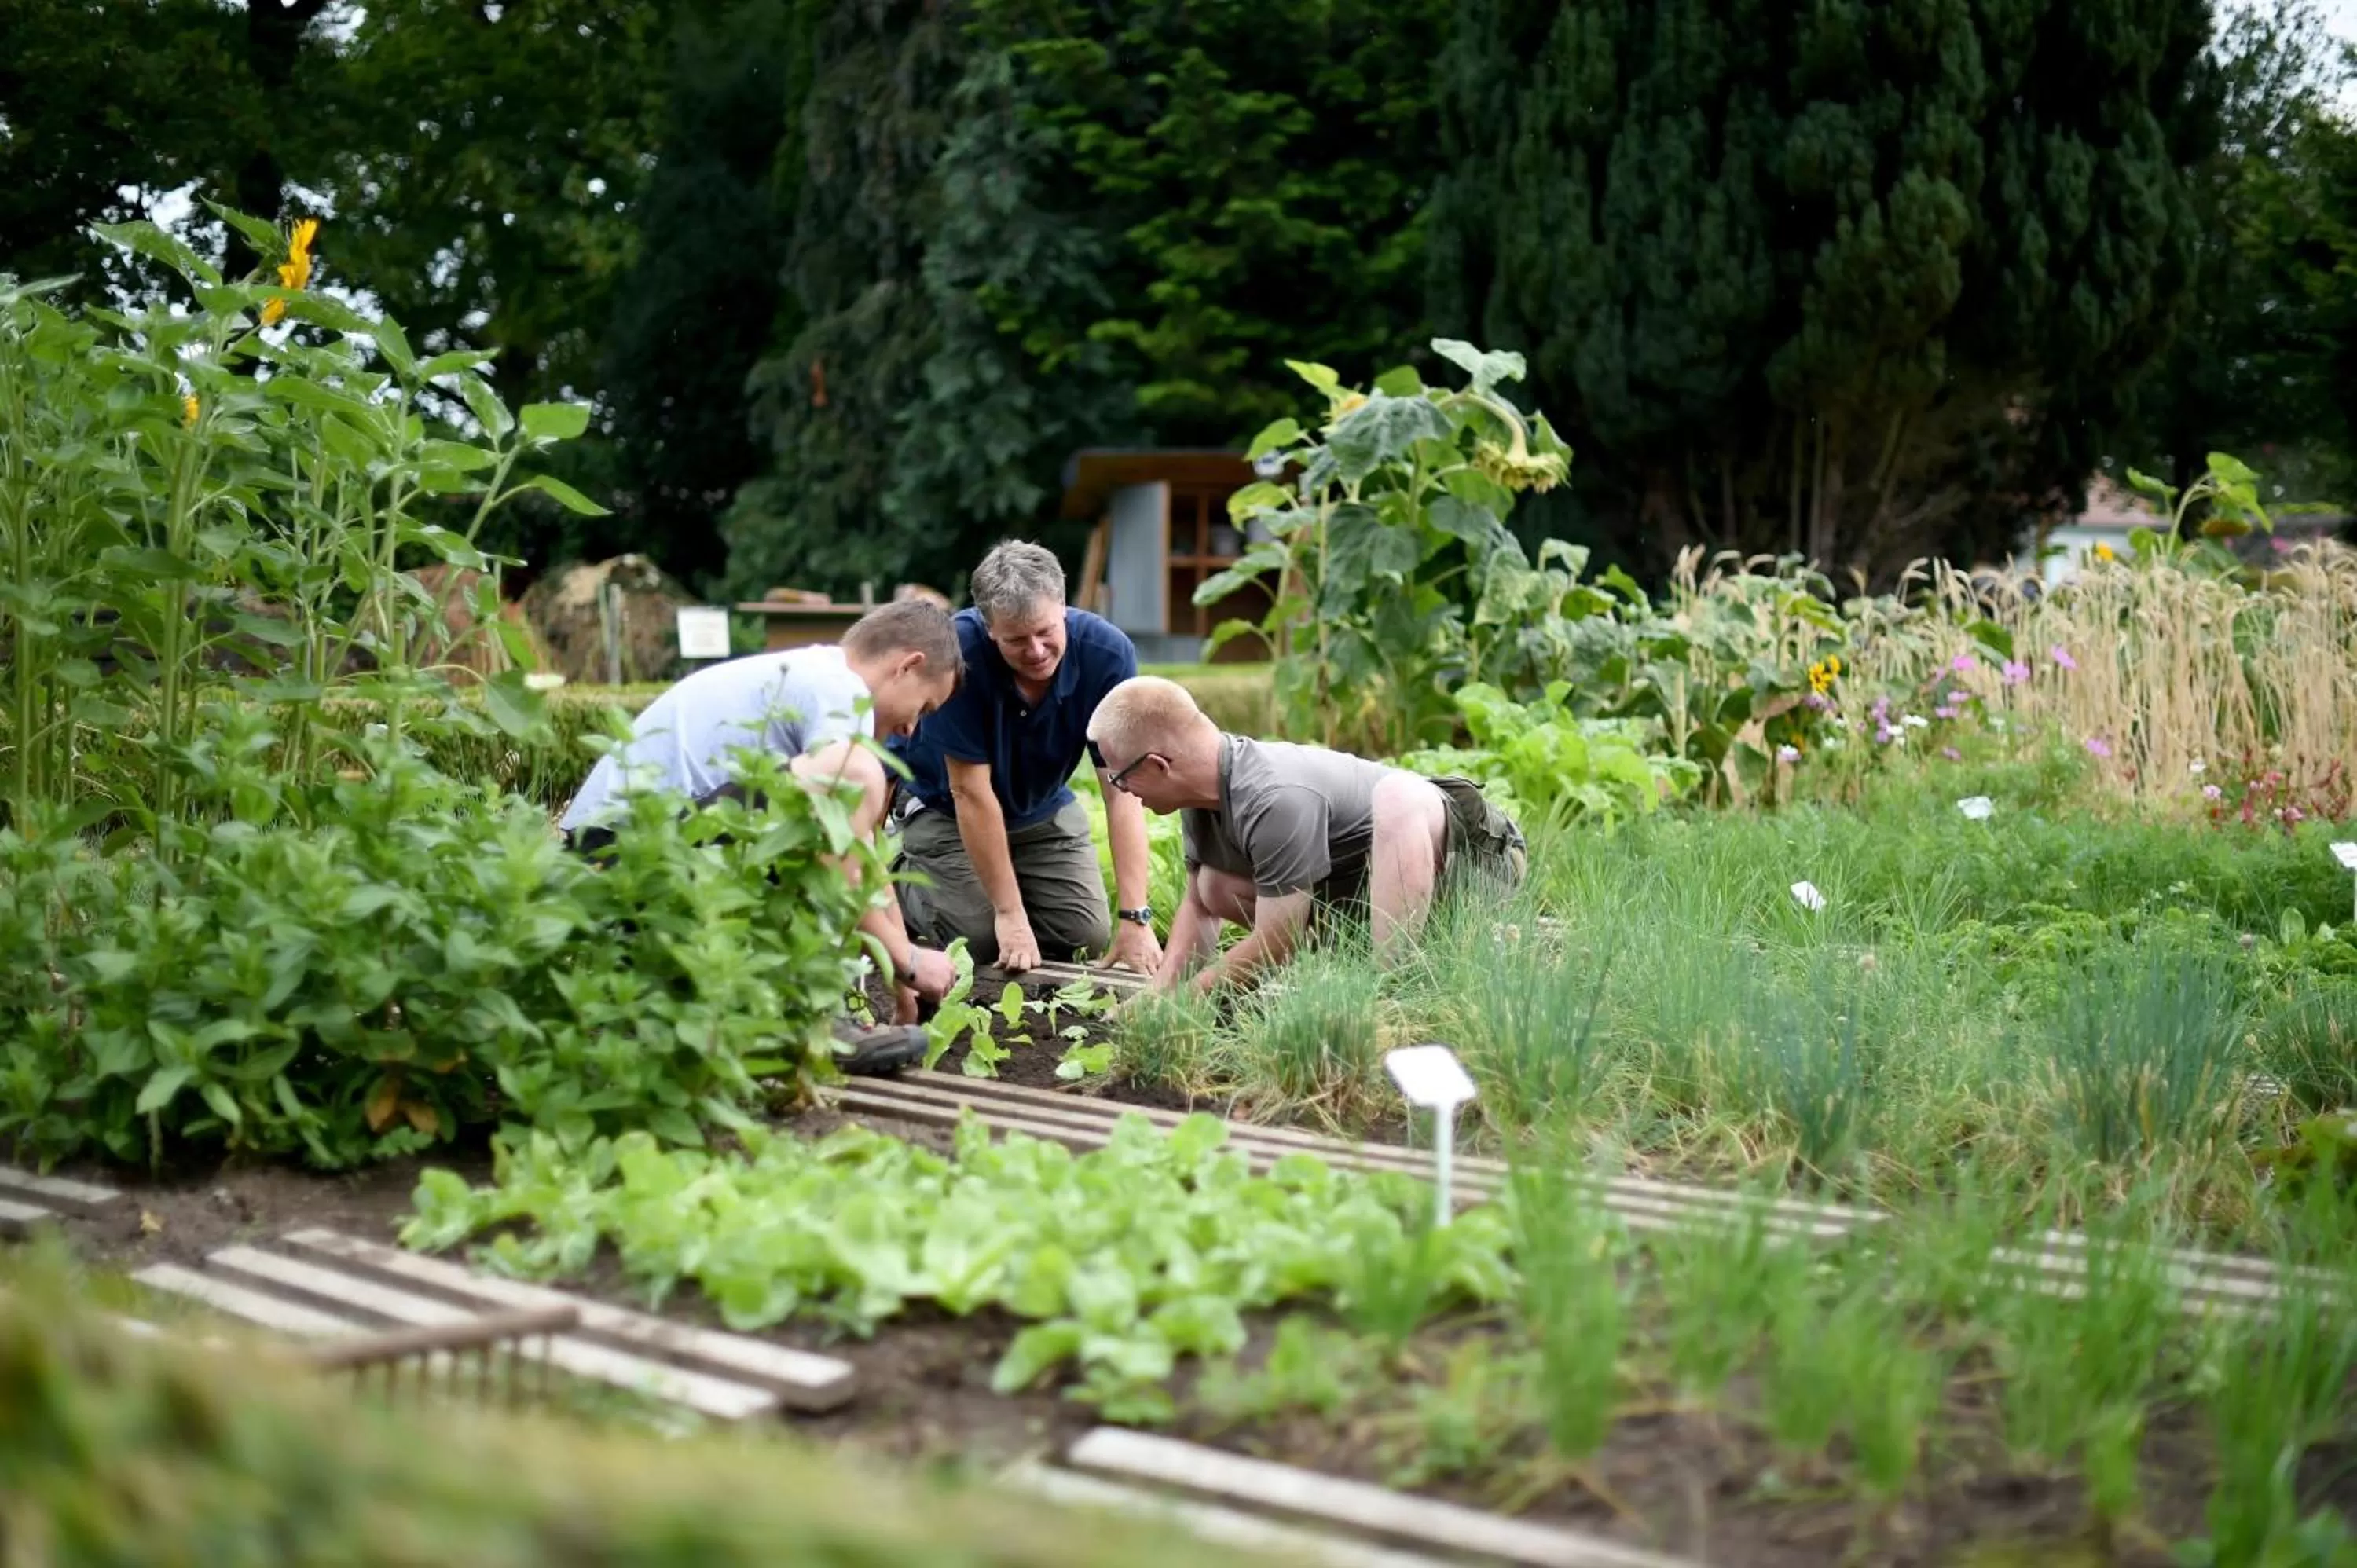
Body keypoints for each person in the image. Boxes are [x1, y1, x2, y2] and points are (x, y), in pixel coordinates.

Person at [555, 599, 964, 1072]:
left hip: (628, 851)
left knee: (842, 794)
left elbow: (861, 850)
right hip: (627, 853)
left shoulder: (811, 671)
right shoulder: (840, 688)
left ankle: (770, 1016)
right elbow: (841, 828)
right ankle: (809, 1019)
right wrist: (909, 959)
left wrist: (898, 976)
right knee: (855, 773)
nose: (913, 727)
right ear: (907, 665)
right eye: (925, 706)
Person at [1083, 676, 1527, 997]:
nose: (1124, 793)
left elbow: (1279, 939)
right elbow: (1199, 908)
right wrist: (1159, 998)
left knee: (1400, 793)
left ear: (1160, 765)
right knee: (1212, 885)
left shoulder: (1275, 795)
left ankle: (1386, 994)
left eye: (1122, 779)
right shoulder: (1202, 797)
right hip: (1379, 894)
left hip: (1477, 861)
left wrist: (1192, 997)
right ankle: (1376, 963)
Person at [889, 541, 1163, 976]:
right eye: (1016, 639)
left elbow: (1122, 790)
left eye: (1046, 631)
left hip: (1038, 811)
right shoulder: (957, 655)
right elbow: (970, 791)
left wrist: (1136, 917)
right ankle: (901, 878)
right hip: (946, 811)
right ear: (988, 626)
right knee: (979, 939)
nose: (1035, 650)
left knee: (1083, 934)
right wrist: (1009, 913)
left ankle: (996, 885)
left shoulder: (1108, 656)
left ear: (1063, 607)